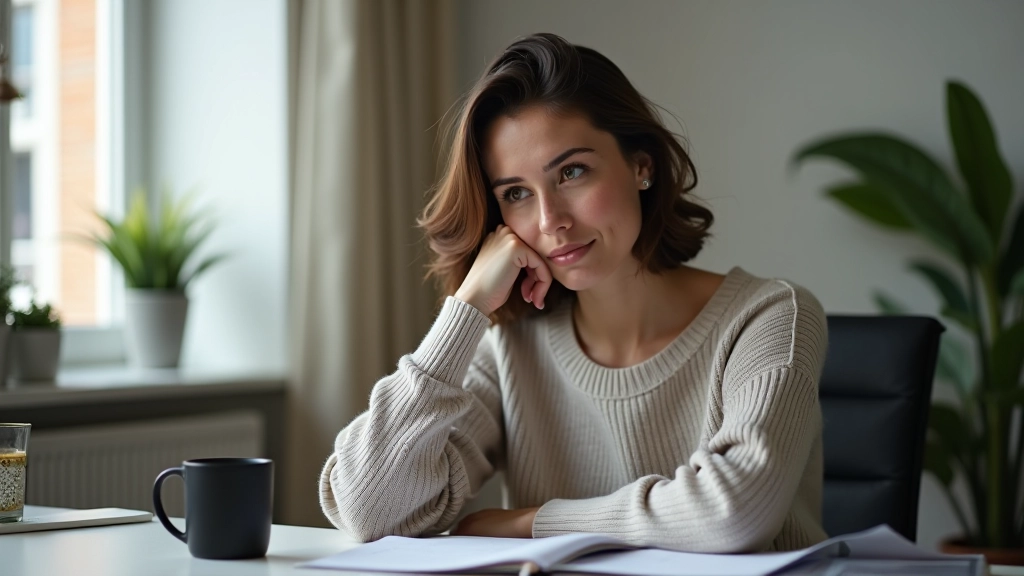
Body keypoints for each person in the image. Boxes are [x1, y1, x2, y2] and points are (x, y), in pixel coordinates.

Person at [318, 32, 828, 553]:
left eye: (572, 172)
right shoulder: (513, 348)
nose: (549, 220)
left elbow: (734, 513)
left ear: (641, 166)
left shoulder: (768, 317)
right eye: (516, 193)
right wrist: (466, 309)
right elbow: (367, 510)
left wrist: (533, 523)